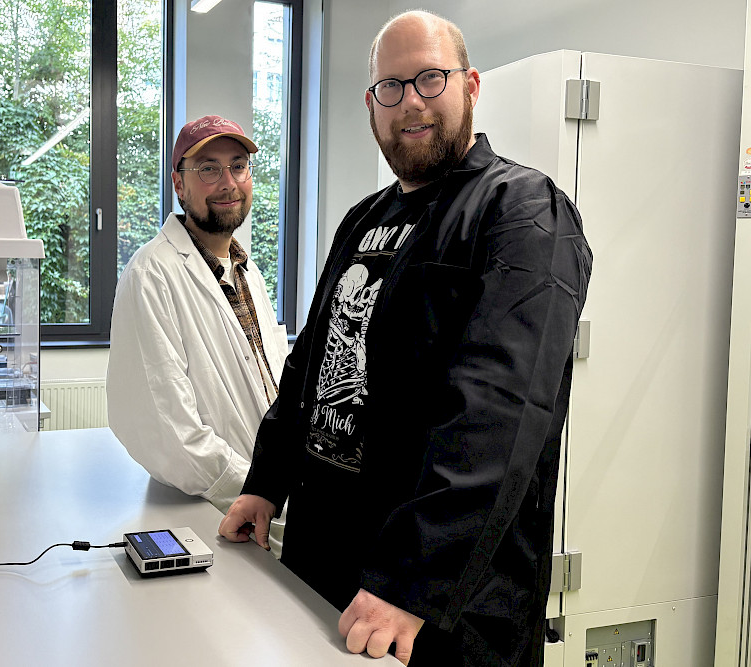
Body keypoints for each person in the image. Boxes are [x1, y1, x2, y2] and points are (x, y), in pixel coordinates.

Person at [219, 10, 592, 667]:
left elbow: (498, 411)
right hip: (327, 563)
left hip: (439, 605)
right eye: (390, 87)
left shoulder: (522, 211)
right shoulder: (363, 219)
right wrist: (266, 481)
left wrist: (411, 579)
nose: (410, 102)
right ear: (372, 105)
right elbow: (311, 364)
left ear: (471, 85)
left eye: (429, 78)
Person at [107, 115, 289, 552]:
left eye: (238, 166)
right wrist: (258, 490)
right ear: (179, 184)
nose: (228, 182)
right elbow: (170, 432)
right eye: (209, 169)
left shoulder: (248, 272)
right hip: (212, 514)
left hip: (269, 503)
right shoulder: (151, 274)